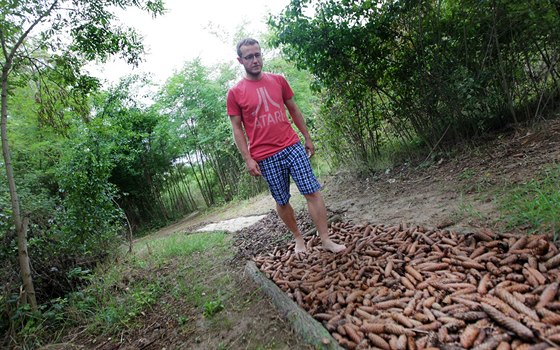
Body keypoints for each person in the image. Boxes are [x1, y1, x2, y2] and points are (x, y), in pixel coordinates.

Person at [226, 38, 346, 254]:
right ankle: (298, 238)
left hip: (291, 145)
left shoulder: (278, 81)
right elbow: (237, 129)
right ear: (240, 60)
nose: (255, 60)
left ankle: (326, 240)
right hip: (264, 155)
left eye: (257, 55)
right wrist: (248, 158)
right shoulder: (235, 93)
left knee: (312, 191)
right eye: (249, 57)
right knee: (282, 201)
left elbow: (294, 109)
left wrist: (307, 137)